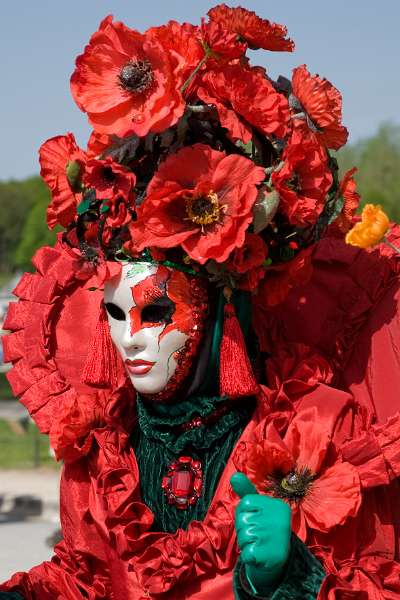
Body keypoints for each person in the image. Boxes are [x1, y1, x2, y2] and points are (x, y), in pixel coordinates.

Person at [1, 4, 400, 598]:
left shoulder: (308, 435)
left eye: (156, 312)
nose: (129, 336)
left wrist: (286, 576)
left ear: (220, 311)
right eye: (113, 312)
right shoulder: (104, 445)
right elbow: (83, 577)